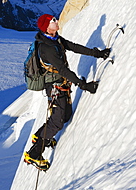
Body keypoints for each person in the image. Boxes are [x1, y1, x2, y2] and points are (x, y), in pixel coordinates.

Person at [24, 14, 110, 171]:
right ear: (46, 27)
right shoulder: (47, 48)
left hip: (60, 84)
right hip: (55, 86)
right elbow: (62, 70)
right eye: (53, 21)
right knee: (57, 122)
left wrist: (97, 54)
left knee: (65, 116)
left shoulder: (54, 39)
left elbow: (73, 46)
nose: (57, 21)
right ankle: (34, 154)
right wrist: (83, 85)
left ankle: (40, 135)